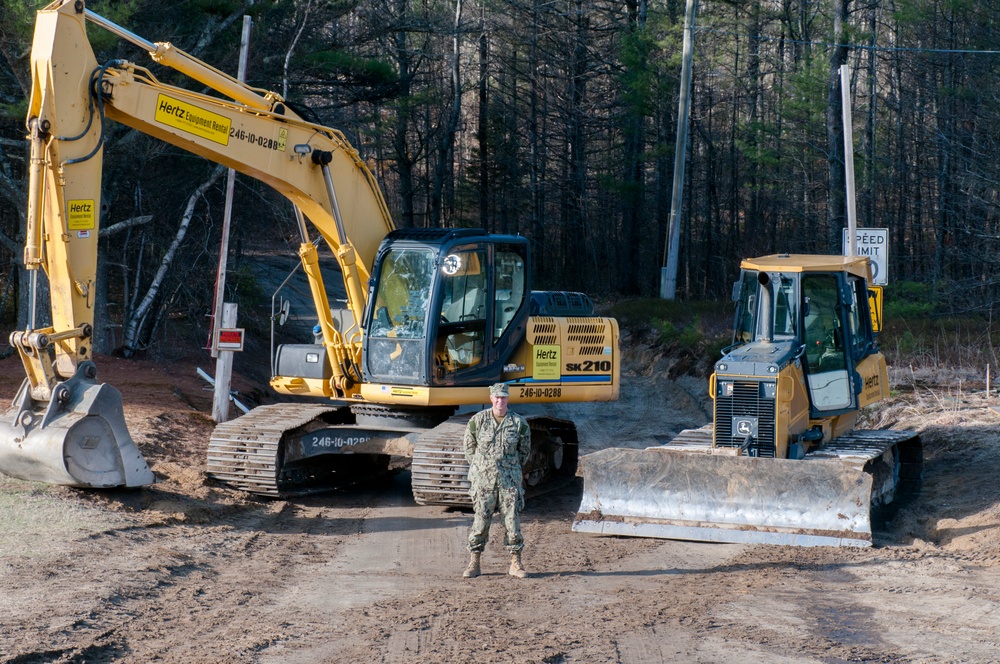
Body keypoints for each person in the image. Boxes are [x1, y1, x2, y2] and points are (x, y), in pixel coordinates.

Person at [461, 382, 532, 579]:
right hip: (484, 482)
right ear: (491, 398)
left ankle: (516, 563)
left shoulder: (519, 423)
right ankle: (474, 562)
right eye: (497, 397)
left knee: (512, 522)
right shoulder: (478, 421)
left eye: (504, 397)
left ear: (508, 398)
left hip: (509, 482)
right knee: (481, 522)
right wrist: (483, 468)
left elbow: (524, 452)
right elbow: (469, 449)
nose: (500, 401)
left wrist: (509, 469)